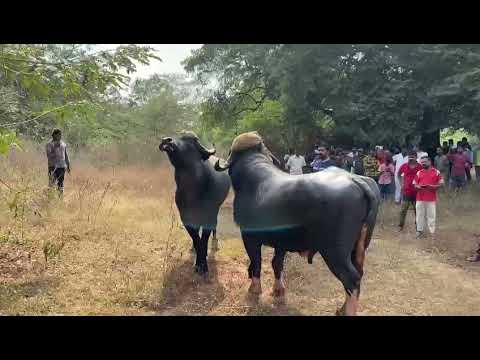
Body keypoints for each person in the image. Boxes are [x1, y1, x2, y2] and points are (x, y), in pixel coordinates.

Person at [413, 156, 444, 239]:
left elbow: (441, 184)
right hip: (420, 198)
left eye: (425, 162)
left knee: (431, 216)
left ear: (429, 162)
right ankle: (419, 232)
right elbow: (414, 184)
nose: (423, 163)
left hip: (431, 198)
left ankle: (432, 233)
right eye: (422, 162)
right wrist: (418, 187)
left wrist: (433, 186)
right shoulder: (419, 172)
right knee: (419, 216)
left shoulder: (436, 172)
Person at [397, 151, 422, 231]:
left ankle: (418, 227)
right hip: (406, 191)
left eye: (413, 157)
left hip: (417, 192)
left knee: (417, 210)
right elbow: (398, 174)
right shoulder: (404, 166)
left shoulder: (420, 167)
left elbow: (424, 176)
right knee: (403, 210)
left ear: (416, 157)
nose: (411, 158)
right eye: (410, 157)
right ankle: (400, 226)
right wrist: (401, 184)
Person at [46, 128, 71, 196]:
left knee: (60, 183)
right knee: (51, 183)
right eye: (58, 135)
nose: (60, 136)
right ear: (54, 135)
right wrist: (55, 148)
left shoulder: (63, 144)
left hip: (62, 167)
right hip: (52, 166)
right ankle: (50, 199)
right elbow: (49, 155)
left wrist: (68, 165)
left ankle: (60, 200)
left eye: (60, 135)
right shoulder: (49, 144)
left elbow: (66, 155)